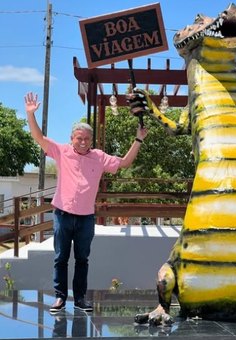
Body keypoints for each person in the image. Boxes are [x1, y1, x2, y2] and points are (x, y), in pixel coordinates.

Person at [24, 92, 148, 314]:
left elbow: (125, 163)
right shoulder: (61, 152)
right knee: (60, 258)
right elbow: (39, 138)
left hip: (85, 218)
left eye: (86, 139)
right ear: (72, 138)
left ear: (91, 141)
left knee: (82, 259)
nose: (82, 142)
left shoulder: (99, 157)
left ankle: (80, 299)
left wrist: (138, 139)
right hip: (63, 214)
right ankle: (60, 298)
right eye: (78, 138)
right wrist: (30, 114)